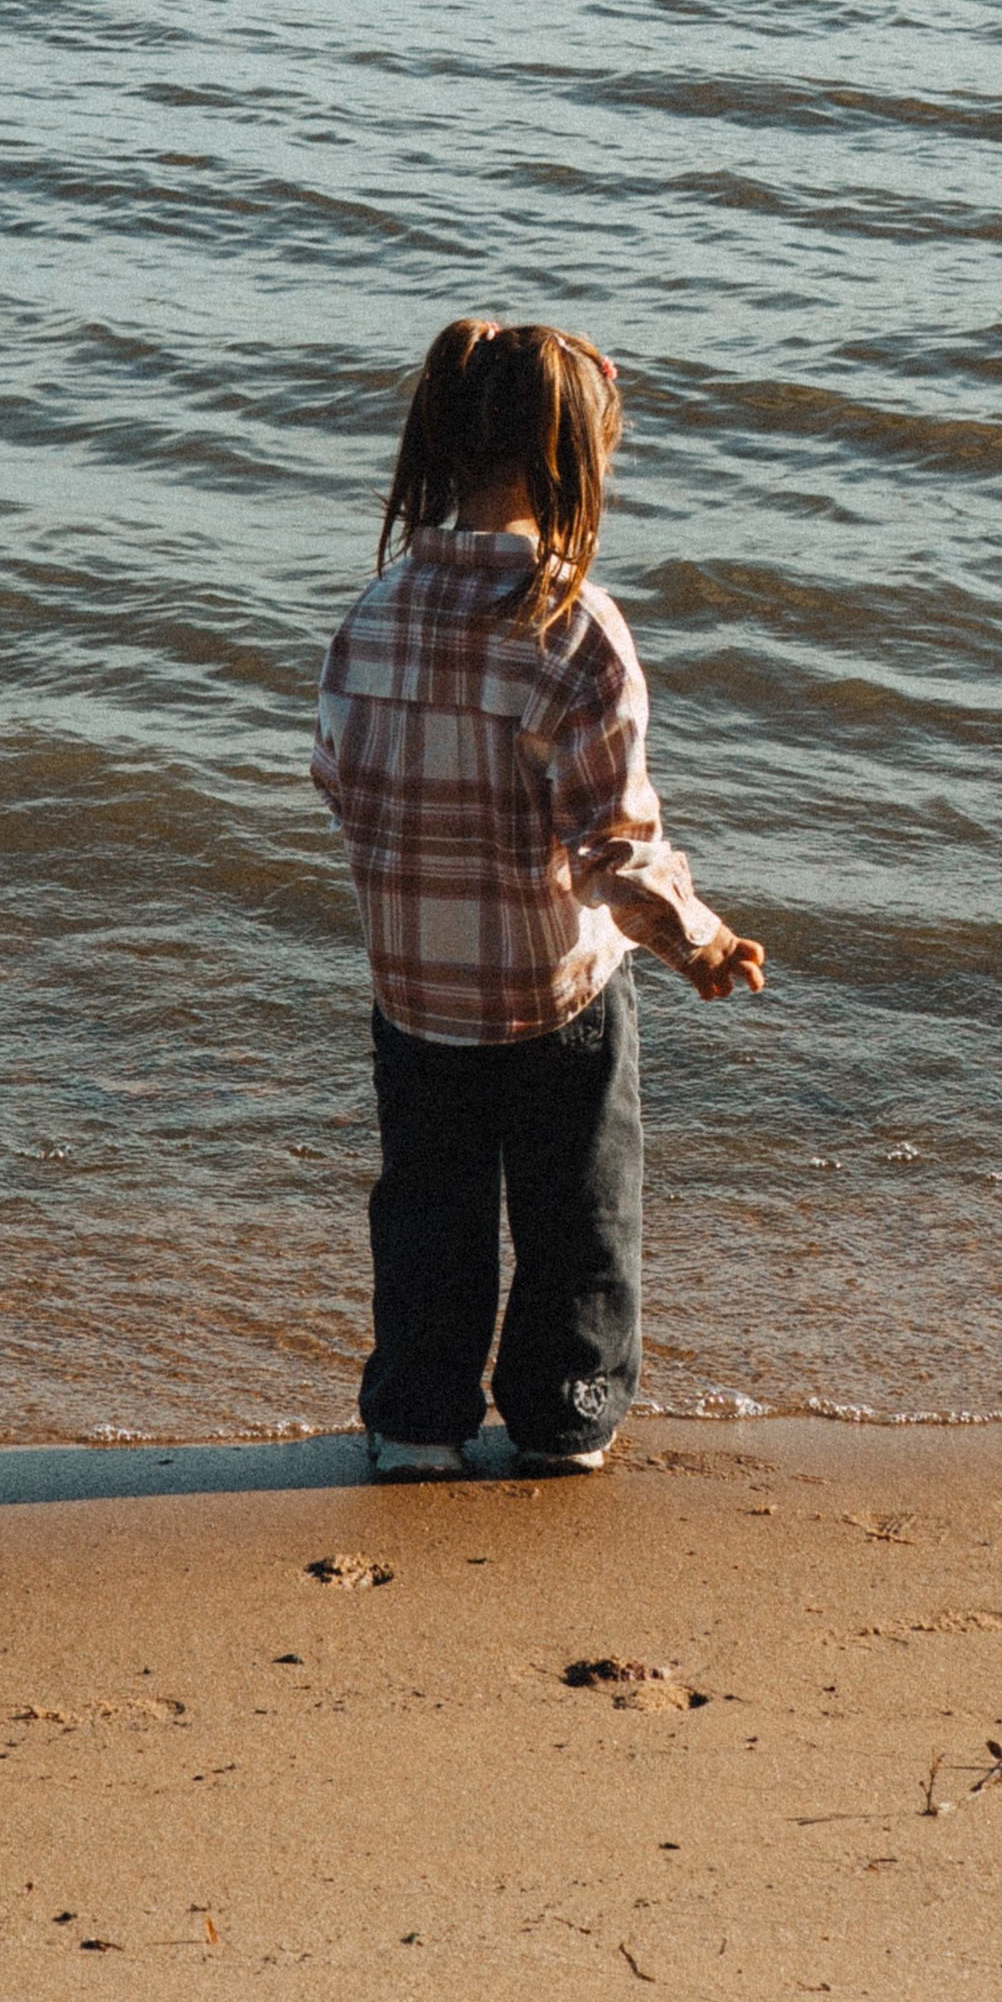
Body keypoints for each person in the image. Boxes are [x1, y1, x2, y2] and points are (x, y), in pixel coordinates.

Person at [312, 317, 766, 1484]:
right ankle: (564, 1417)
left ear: (445, 447)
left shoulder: (373, 615)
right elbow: (615, 849)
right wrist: (699, 941)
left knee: (427, 1215)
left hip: (414, 993)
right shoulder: (573, 627)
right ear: (575, 460)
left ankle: (416, 1423)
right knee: (577, 1219)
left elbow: (341, 783)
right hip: (554, 997)